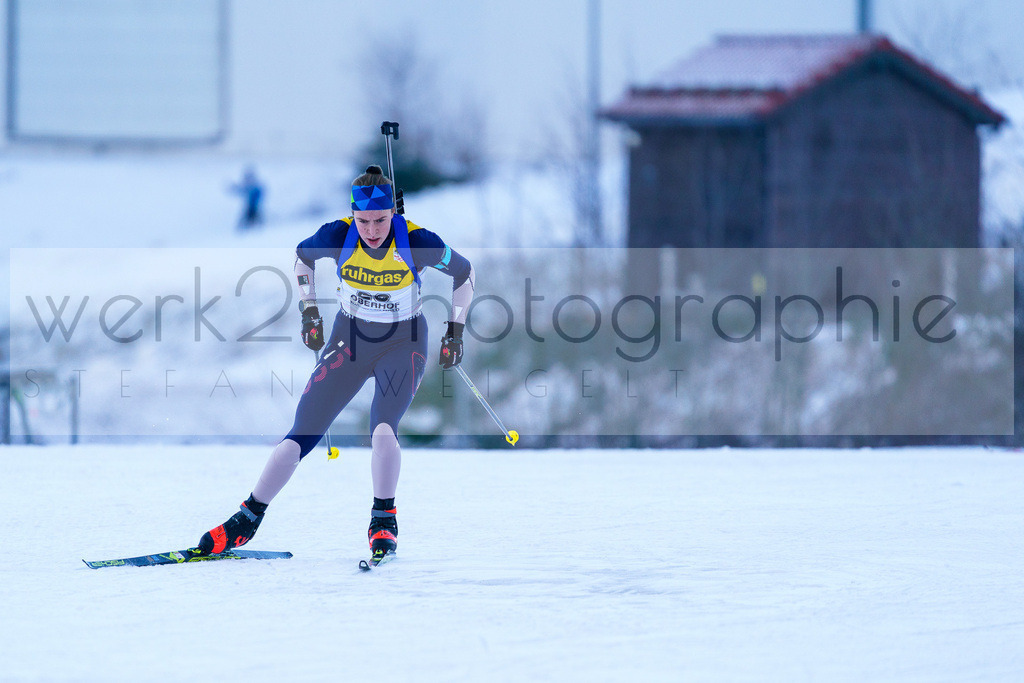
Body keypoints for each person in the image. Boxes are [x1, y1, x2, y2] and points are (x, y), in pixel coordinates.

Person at [198, 165, 474, 563]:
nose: (372, 230)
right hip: (350, 339)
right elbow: (301, 260)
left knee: (381, 431)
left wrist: (455, 332)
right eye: (364, 221)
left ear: (393, 213)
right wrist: (310, 313)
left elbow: (464, 275)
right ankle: (247, 518)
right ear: (353, 215)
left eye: (380, 220)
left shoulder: (417, 241)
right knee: (300, 433)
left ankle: (383, 519)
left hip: (403, 342)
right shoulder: (337, 234)